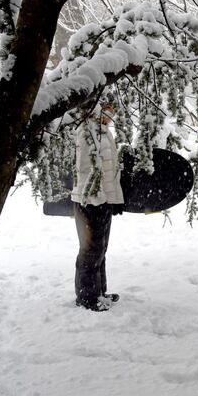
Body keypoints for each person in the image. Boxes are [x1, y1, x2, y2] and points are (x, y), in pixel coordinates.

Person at [70, 102, 125, 312]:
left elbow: (110, 170)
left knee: (101, 249)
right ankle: (87, 297)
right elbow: (85, 169)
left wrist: (113, 199)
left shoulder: (103, 131)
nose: (111, 117)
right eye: (109, 112)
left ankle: (99, 292)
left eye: (113, 113)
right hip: (89, 200)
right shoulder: (86, 131)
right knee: (90, 251)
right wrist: (96, 197)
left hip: (103, 201)